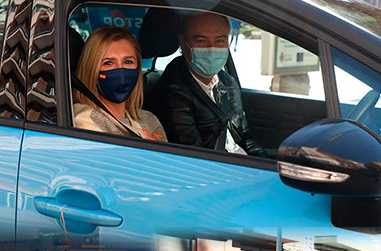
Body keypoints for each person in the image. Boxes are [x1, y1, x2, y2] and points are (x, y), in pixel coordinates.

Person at [152, 12, 265, 155]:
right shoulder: (172, 92)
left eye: (219, 41)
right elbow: (195, 156)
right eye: (201, 41)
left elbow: (245, 138)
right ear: (183, 42)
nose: (211, 49)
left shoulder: (227, 82)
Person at [73, 26, 167, 142]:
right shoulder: (85, 119)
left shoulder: (149, 119)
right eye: (108, 63)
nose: (121, 72)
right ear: (92, 69)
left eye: (128, 62)